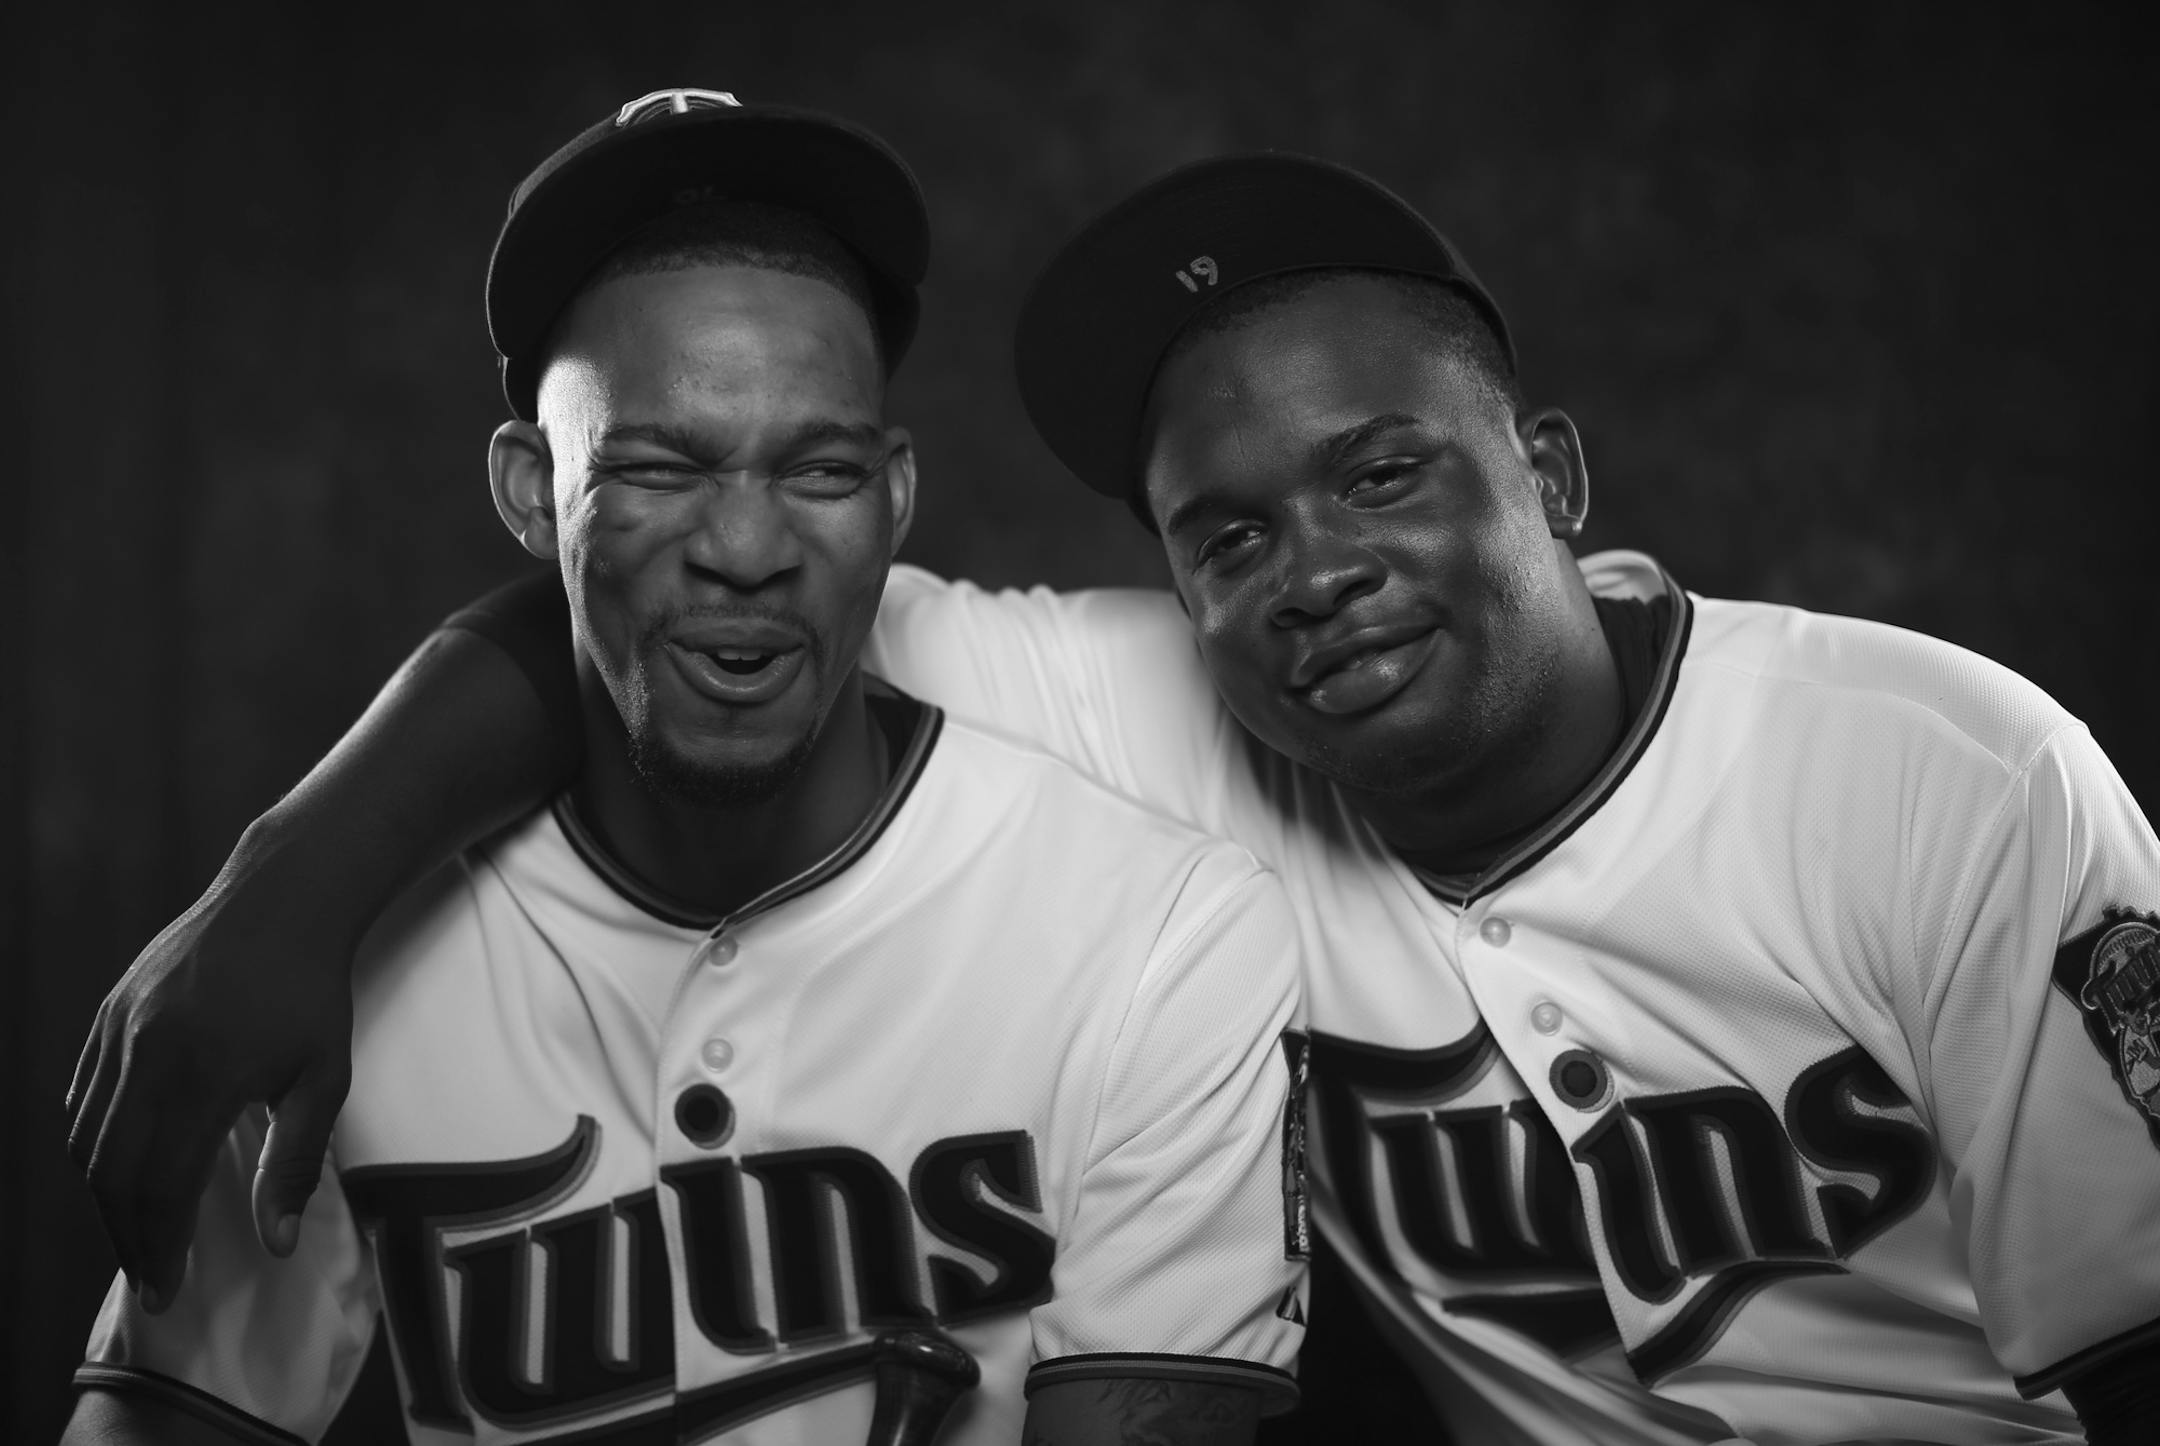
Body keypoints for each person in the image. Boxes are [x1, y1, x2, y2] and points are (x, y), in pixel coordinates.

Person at [68, 148, 2160, 1445]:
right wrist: (291, 890)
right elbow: (680, 614)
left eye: (1384, 472)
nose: (1312, 572)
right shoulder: (1186, 723)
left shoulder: (1942, 774)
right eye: (1220, 533)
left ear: (1559, 475)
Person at [61, 91, 1314, 1446]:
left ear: (896, 495)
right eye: (660, 466)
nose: (746, 545)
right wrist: (289, 891)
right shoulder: (333, 964)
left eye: (819, 471)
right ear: (534, 492)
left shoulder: (1160, 927)